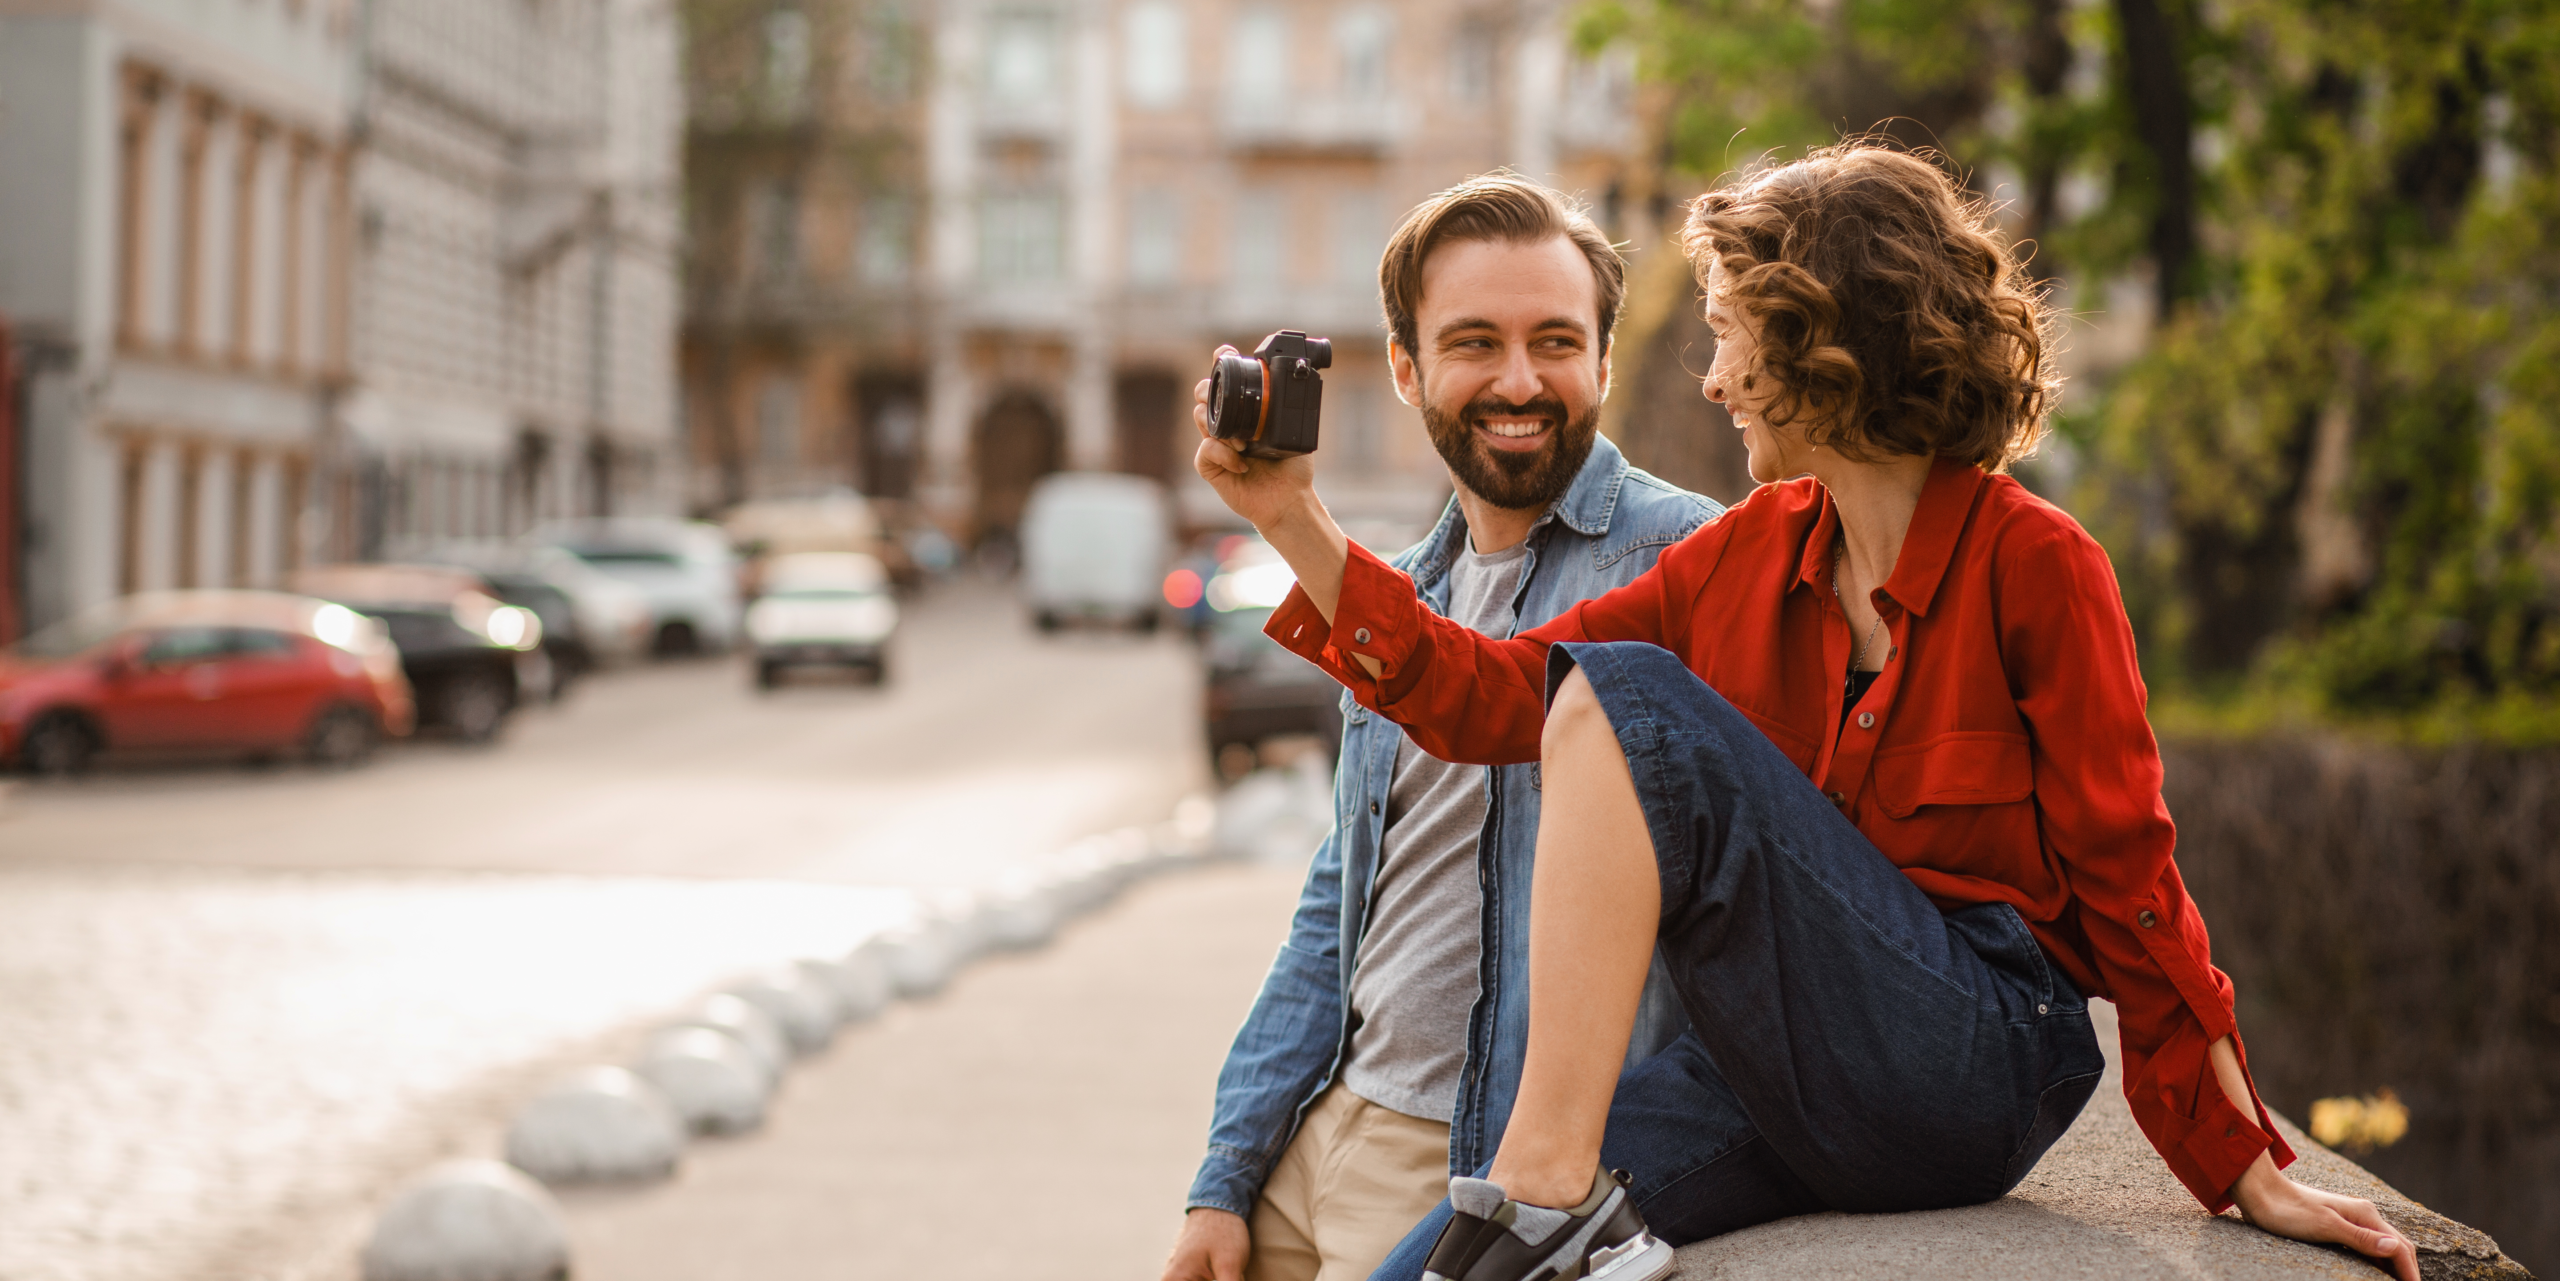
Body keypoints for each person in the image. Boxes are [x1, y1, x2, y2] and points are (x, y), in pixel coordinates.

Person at [1195, 143, 2423, 1281]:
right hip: (1776, 1068)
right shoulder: (1746, 554)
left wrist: (2238, 1160)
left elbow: (2132, 877)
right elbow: (1494, 696)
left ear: (1819, 346)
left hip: (1975, 1059)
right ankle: (1541, 1196)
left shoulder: (2035, 563)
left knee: (1620, 698)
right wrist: (1292, 523)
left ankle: (1544, 1185)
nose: (1716, 378)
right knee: (1448, 1264)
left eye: (1734, 340)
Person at [1161, 176, 1721, 1281]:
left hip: (1468, 1166)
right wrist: (1230, 1171)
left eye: (1555, 340)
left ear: (1603, 362)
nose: (1519, 380)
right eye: (1475, 342)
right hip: (1317, 1135)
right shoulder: (1404, 590)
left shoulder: (1681, 563)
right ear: (1407, 370)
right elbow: (1341, 903)